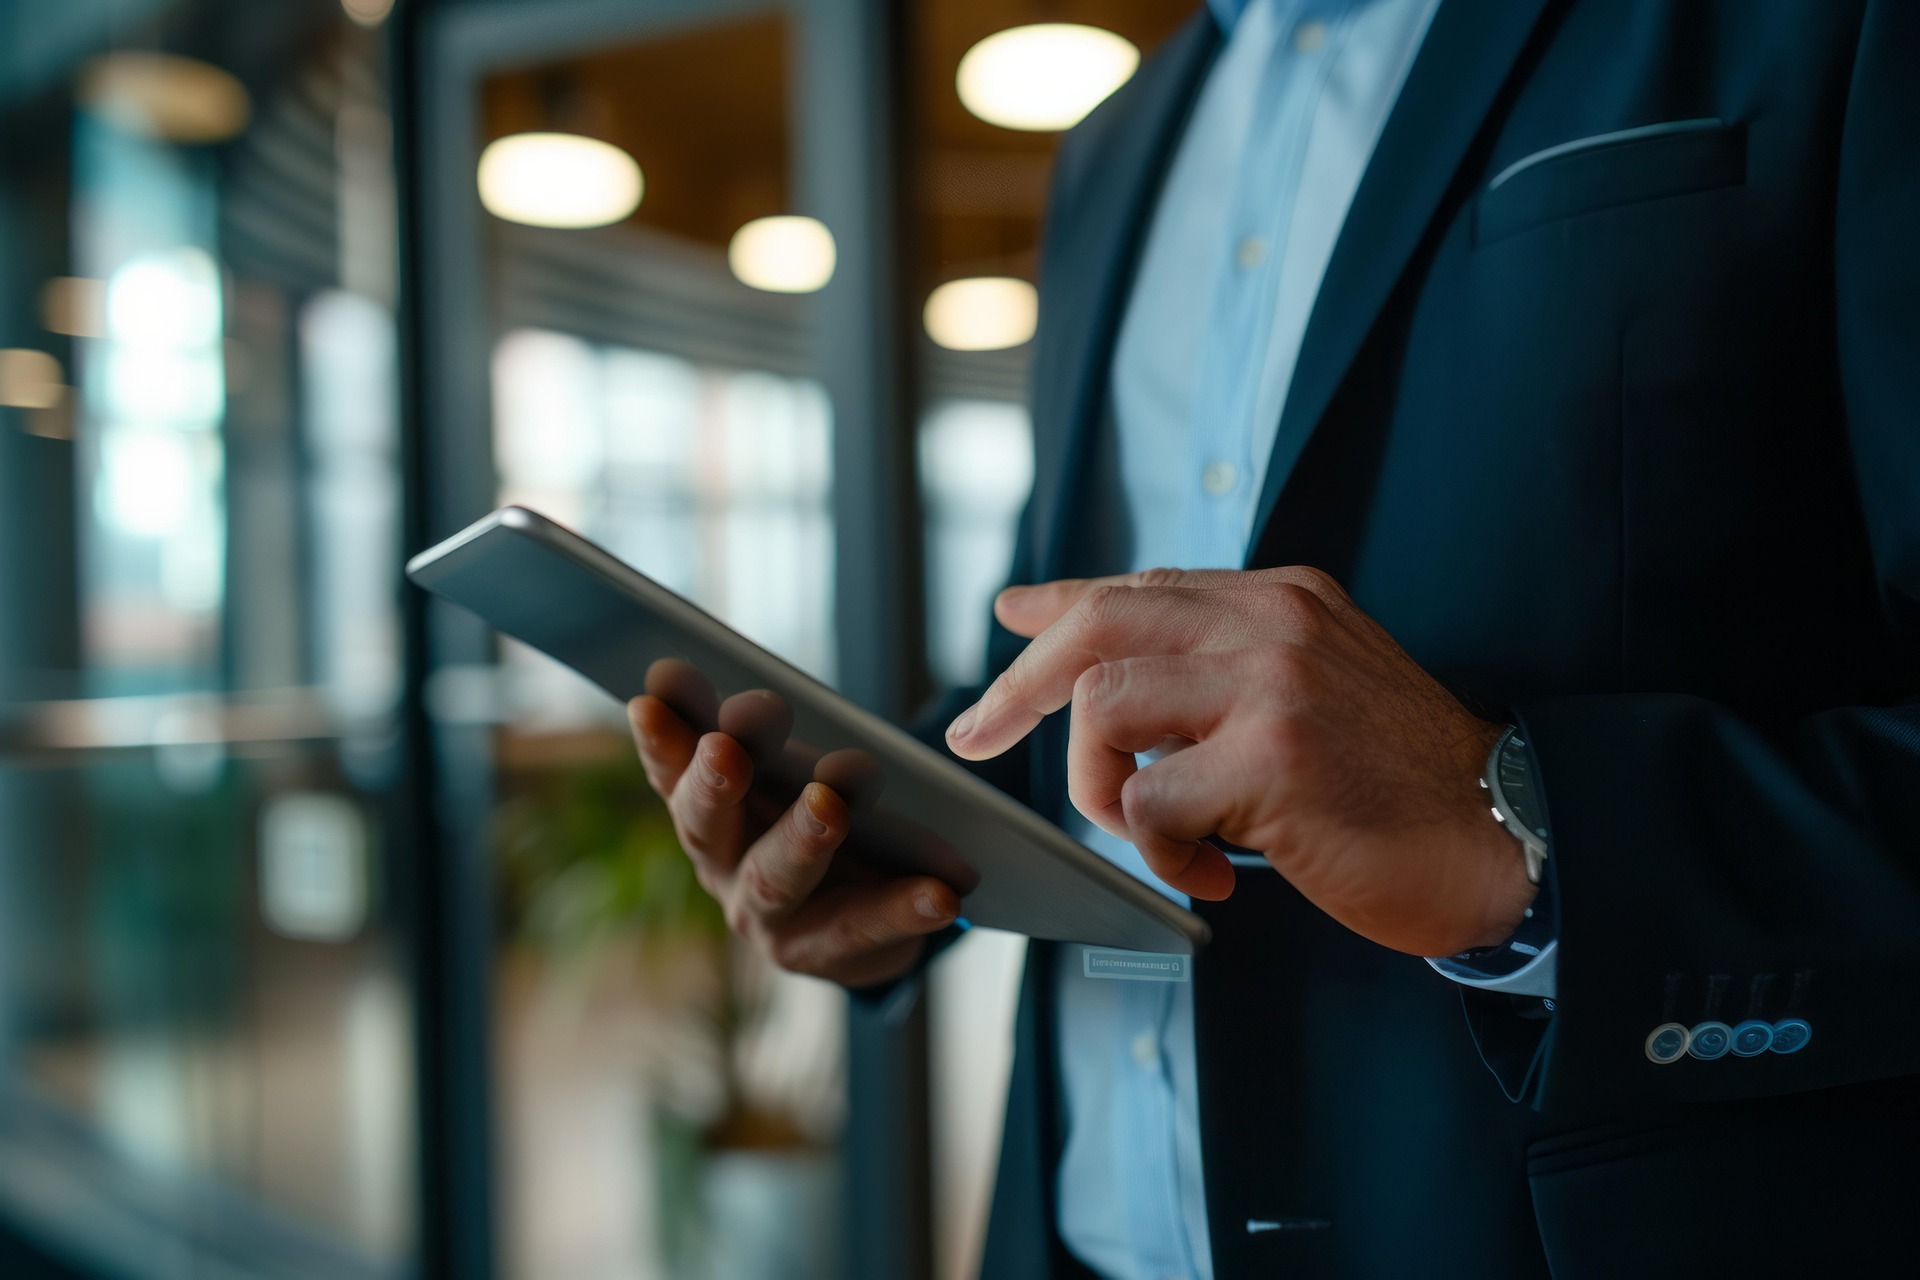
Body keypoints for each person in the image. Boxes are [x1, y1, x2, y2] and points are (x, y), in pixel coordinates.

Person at [627, 0, 1920, 1274]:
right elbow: (1071, 675)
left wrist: (1518, 826)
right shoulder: (1113, 142)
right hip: (1072, 1239)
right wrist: (865, 846)